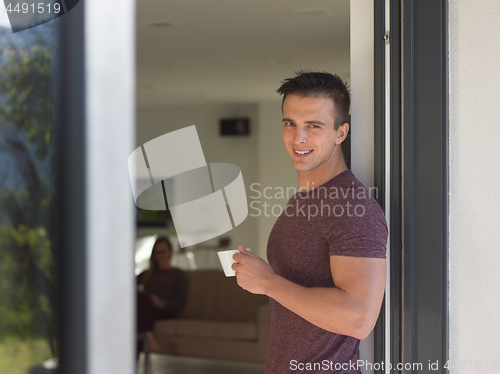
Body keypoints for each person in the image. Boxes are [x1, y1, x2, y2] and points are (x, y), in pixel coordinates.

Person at [233, 71, 387, 373]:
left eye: (313, 126)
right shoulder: (304, 200)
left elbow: (358, 318)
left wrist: (267, 282)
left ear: (341, 133)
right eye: (290, 123)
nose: (297, 138)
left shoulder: (351, 206)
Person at [136, 236, 188, 353]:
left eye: (162, 252)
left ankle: (149, 339)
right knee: (141, 300)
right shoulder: (146, 274)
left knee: (143, 303)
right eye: (156, 252)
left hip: (165, 309)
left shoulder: (178, 274)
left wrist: (162, 304)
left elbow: (181, 301)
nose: (159, 256)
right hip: (145, 306)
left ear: (170, 252)